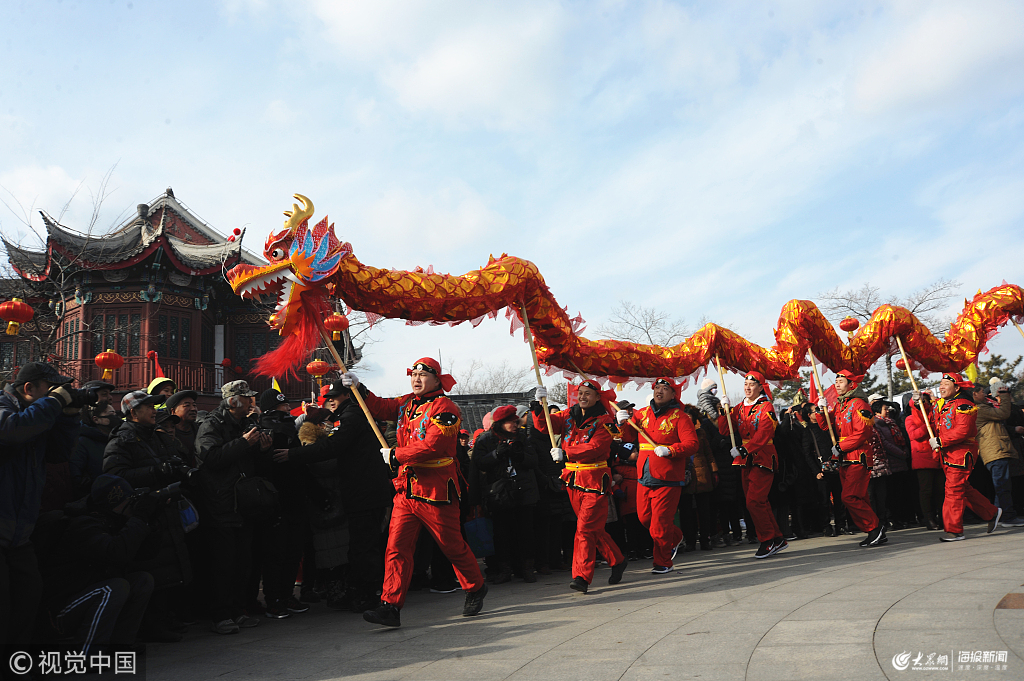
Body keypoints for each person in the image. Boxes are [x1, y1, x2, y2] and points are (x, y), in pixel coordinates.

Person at [342, 358, 487, 628]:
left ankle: (475, 586)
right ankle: (390, 606)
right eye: (414, 374)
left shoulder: (446, 408)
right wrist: (358, 388)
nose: (417, 379)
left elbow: (434, 445)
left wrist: (396, 454)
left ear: (437, 380)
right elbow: (379, 406)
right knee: (396, 548)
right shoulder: (406, 402)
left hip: (436, 490)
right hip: (406, 490)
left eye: (423, 375)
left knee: (451, 546)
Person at [274, 382, 394, 614]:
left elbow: (332, 447)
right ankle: (362, 592)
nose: (330, 401)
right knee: (361, 546)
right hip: (363, 493)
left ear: (347, 395)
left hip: (365, 494)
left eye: (335, 396)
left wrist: (294, 454)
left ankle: (367, 595)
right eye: (328, 397)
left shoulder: (352, 416)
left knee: (364, 547)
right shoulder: (351, 415)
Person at [0, 362, 90, 649]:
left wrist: (70, 415)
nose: (58, 396)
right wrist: (53, 402)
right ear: (28, 389)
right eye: (51, 390)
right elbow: (12, 432)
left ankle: (17, 665)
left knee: (29, 597)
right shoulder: (5, 410)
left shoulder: (38, 416)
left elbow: (60, 453)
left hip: (20, 532)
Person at [34, 474, 157, 654]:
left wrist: (151, 520)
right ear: (113, 504)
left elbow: (146, 554)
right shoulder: (83, 525)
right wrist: (138, 519)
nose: (133, 504)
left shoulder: (114, 520)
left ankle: (120, 646)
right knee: (115, 587)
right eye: (129, 500)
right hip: (60, 612)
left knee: (142, 580)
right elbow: (116, 553)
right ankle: (88, 653)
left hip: (87, 597)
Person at [195, 380, 273, 634]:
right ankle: (220, 615)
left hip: (244, 505)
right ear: (232, 401)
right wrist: (243, 443)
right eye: (246, 398)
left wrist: (262, 449)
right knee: (223, 564)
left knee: (243, 562)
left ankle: (238, 610)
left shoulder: (246, 425)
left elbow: (251, 463)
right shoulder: (211, 425)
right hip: (221, 505)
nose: (251, 402)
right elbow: (211, 458)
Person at [535, 380, 627, 592]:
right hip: (573, 480)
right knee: (592, 528)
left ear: (597, 397)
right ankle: (617, 559)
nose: (583, 397)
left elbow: (596, 447)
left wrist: (567, 453)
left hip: (594, 479)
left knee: (584, 529)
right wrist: (540, 406)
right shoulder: (568, 415)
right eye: (580, 393)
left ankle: (581, 576)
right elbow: (544, 425)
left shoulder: (605, 421)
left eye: (587, 393)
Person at [616, 379, 698, 573]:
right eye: (657, 388)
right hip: (644, 473)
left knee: (659, 524)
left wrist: (671, 450)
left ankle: (663, 562)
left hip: (667, 476)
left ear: (673, 395)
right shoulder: (641, 414)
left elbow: (692, 444)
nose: (659, 391)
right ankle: (675, 536)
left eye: (665, 389)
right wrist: (620, 423)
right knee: (645, 518)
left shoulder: (681, 417)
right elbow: (627, 436)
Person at [919, 373, 1001, 541]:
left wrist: (941, 441)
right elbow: (929, 418)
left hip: (961, 454)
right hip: (948, 454)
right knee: (963, 489)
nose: (941, 387)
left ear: (957, 388)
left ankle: (954, 530)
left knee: (953, 490)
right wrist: (918, 402)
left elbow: (963, 431)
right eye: (940, 384)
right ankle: (991, 512)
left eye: (945, 384)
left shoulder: (964, 405)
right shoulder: (944, 404)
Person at [719, 371, 787, 558]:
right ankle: (777, 538)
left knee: (754, 501)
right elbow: (725, 429)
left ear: (760, 387)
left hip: (762, 456)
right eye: (745, 384)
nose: (747, 387)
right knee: (757, 502)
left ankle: (767, 539)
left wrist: (744, 449)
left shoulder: (766, 407)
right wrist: (723, 411)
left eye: (752, 384)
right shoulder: (740, 407)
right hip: (745, 458)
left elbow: (764, 433)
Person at [816, 370, 886, 547]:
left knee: (849, 496)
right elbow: (826, 426)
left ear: (851, 385)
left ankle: (874, 528)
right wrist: (820, 410)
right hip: (844, 457)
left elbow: (863, 432)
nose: (837, 384)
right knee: (860, 497)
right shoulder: (841, 405)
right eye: (836, 381)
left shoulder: (859, 404)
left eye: (841, 381)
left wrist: (842, 446)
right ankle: (876, 530)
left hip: (857, 456)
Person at [472, 404, 540, 583]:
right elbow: (478, 464)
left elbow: (533, 461)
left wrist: (519, 456)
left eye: (516, 421)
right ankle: (504, 569)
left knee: (526, 533)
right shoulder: (485, 440)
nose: (515, 425)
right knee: (502, 534)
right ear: (500, 423)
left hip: (523, 492)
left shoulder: (523, 438)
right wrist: (496, 454)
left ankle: (526, 568)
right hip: (499, 493)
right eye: (511, 422)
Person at [973, 381, 1024, 528]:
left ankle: (997, 516)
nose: (986, 394)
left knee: (1001, 485)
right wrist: (1004, 396)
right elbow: (1003, 413)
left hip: (995, 450)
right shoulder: (980, 409)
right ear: (975, 394)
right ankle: (1006, 516)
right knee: (1002, 486)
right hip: (995, 450)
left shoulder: (983, 407)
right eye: (983, 391)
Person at [905, 392, 944, 529]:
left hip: (937, 456)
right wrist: (929, 427)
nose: (925, 403)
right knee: (926, 490)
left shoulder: (933, 416)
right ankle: (929, 518)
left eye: (926, 401)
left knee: (941, 490)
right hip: (923, 458)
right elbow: (914, 435)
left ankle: (942, 516)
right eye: (922, 401)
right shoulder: (910, 419)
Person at [71, 402, 119, 494]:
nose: (115, 417)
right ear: (96, 419)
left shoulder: (116, 439)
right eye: (110, 414)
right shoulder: (82, 442)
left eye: (115, 414)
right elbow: (76, 476)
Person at [165, 390, 200, 466]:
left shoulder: (200, 431)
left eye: (194, 405)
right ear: (173, 411)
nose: (193, 409)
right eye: (187, 405)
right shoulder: (166, 434)